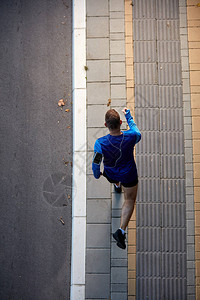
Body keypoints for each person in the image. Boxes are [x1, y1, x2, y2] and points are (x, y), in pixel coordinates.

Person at [92, 107, 141, 250]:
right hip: (129, 174)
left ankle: (117, 186)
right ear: (120, 122)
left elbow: (96, 164)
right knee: (130, 200)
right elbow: (137, 132)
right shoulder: (131, 136)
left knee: (116, 181)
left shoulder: (100, 143)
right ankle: (121, 231)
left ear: (106, 125)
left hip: (111, 174)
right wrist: (128, 116)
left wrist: (97, 174)